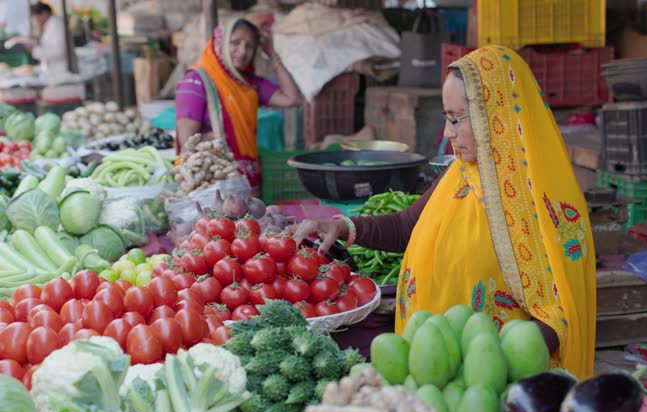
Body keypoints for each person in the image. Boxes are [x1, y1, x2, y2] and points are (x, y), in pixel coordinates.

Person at [289, 46, 597, 378]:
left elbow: (559, 318)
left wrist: (485, 362)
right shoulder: (462, 174)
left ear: (495, 115)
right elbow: (408, 225)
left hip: (495, 385)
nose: (448, 133)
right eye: (445, 117)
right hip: (437, 373)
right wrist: (343, 226)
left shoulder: (541, 203)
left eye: (455, 118)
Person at [175, 17, 301, 190]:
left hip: (248, 184)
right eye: (235, 43)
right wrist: (214, 139)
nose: (242, 51)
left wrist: (272, 54)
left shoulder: (248, 83)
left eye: (249, 46)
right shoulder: (196, 81)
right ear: (220, 43)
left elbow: (292, 98)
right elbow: (187, 144)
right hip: (212, 184)